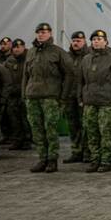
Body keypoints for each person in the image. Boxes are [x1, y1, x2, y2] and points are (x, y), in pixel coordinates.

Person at [23, 23, 74, 173]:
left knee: (50, 129)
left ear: (50, 33)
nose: (41, 34)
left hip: (50, 97)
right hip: (32, 96)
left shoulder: (58, 52)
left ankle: (52, 159)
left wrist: (63, 96)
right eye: (38, 32)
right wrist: (24, 94)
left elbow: (70, 74)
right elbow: (26, 76)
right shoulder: (31, 52)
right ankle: (42, 158)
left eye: (44, 32)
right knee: (37, 129)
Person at [78, 30, 111, 173]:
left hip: (107, 102)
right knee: (92, 132)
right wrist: (80, 98)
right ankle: (95, 160)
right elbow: (80, 81)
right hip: (90, 102)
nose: (96, 41)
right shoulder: (86, 59)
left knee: (106, 133)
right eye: (94, 39)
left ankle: (105, 161)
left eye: (99, 39)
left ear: (105, 41)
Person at [64, 31, 90, 164]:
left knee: (85, 125)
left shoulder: (89, 56)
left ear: (84, 41)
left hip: (84, 97)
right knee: (73, 125)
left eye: (79, 40)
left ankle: (87, 152)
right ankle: (76, 151)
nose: (75, 43)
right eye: (74, 40)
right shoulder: (66, 57)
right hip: (70, 96)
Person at [4, 40, 32, 150]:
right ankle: (17, 140)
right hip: (12, 95)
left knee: (25, 118)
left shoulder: (28, 59)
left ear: (24, 47)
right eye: (15, 47)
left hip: (24, 93)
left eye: (19, 47)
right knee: (14, 119)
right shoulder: (9, 61)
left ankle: (27, 140)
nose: (17, 49)